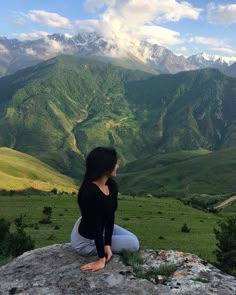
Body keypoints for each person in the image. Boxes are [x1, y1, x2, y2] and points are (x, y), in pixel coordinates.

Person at [70, 146, 139, 272]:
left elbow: (109, 216)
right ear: (105, 168)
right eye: (115, 163)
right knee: (133, 244)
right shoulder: (90, 192)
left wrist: (107, 244)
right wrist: (101, 258)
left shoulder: (111, 186)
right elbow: (95, 226)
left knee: (133, 239)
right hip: (85, 240)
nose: (117, 165)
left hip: (97, 223)